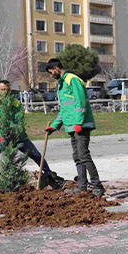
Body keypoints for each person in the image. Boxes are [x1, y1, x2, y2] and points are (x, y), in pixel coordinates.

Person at [0, 80, 63, 189]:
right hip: (1, 138)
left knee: (36, 155)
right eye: (3, 90)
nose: (6, 92)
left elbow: (19, 120)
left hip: (19, 137)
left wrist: (15, 132)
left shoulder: (16, 103)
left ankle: (49, 174)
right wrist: (0, 136)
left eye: (8, 90)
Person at [44, 58, 105, 197]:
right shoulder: (62, 84)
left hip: (81, 126)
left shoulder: (72, 79)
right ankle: (82, 187)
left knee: (84, 155)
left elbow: (80, 101)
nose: (50, 75)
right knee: (77, 157)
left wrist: (78, 122)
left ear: (56, 69)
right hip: (72, 127)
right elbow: (65, 109)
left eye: (50, 72)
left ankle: (97, 186)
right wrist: (54, 127)